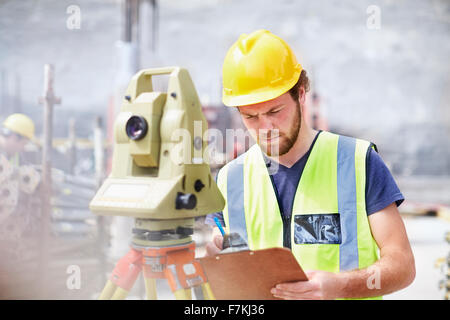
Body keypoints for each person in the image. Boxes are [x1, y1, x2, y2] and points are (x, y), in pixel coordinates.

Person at [204, 30, 415, 300]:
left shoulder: (358, 162)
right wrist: (217, 256)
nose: (265, 127)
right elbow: (220, 247)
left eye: (274, 112)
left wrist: (342, 286)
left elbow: (402, 265)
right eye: (251, 117)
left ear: (301, 94)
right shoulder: (230, 179)